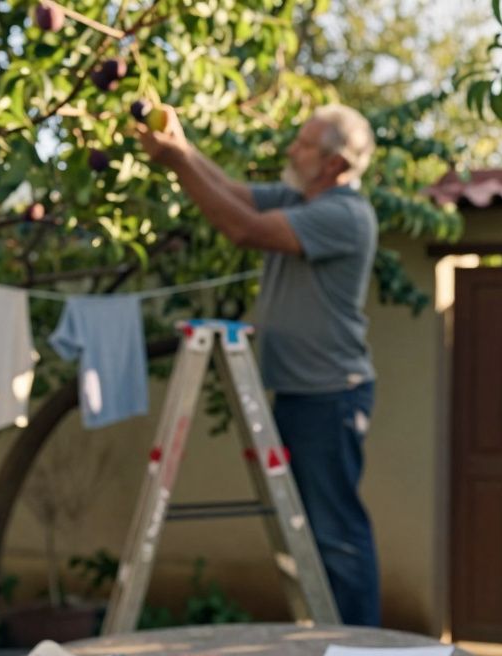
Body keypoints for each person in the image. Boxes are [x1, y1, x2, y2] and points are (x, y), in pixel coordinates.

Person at [138, 103, 383, 626]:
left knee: (336, 533)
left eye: (304, 144)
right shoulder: (301, 197)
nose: (292, 149)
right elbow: (231, 192)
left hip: (329, 393)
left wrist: (177, 161)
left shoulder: (344, 214)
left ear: (336, 164)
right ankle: (334, 642)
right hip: (303, 391)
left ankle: (366, 655)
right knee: (317, 531)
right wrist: (180, 148)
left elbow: (244, 228)